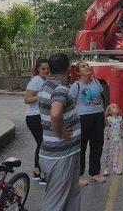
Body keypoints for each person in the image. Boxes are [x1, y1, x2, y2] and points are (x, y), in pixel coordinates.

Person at [38, 53, 81, 211]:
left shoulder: (46, 85)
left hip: (59, 153)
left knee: (70, 195)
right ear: (69, 68)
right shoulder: (60, 88)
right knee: (55, 203)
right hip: (61, 155)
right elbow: (55, 113)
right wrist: (59, 132)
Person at [69, 61, 107, 185]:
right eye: (83, 66)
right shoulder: (76, 86)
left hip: (97, 116)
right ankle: (79, 175)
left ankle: (95, 173)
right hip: (82, 118)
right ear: (78, 72)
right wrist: (71, 122)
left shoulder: (96, 82)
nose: (87, 67)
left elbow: (101, 99)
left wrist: (104, 116)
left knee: (97, 145)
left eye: (87, 65)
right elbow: (71, 104)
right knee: (81, 147)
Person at [24, 57, 49, 186]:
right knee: (43, 144)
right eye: (43, 69)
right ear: (38, 69)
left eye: (47, 68)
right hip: (34, 116)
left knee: (42, 144)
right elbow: (27, 99)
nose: (46, 71)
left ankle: (36, 171)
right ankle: (41, 173)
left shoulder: (46, 80)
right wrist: (40, 96)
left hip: (41, 116)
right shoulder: (35, 81)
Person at [103, 103, 123, 176]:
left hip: (117, 140)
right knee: (108, 154)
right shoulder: (108, 119)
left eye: (116, 106)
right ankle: (106, 168)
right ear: (109, 111)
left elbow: (121, 127)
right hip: (110, 140)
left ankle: (115, 168)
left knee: (116, 154)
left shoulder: (120, 118)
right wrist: (107, 132)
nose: (115, 107)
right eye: (113, 107)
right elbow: (106, 127)